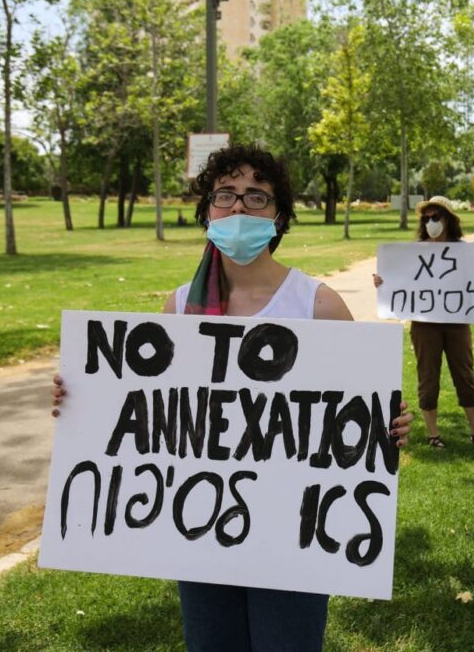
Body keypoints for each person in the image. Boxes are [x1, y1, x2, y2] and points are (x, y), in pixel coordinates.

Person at [52, 144, 413, 652]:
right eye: (226, 194)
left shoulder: (318, 305)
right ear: (207, 211)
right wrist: (84, 399)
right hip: (199, 532)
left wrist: (389, 424)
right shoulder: (178, 308)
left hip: (294, 540)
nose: (239, 208)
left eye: (256, 196)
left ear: (279, 215)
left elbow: (354, 417)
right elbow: (147, 408)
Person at [373, 195, 474, 450]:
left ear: (448, 220)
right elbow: (399, 281)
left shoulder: (466, 252)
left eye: (435, 217)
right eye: (426, 218)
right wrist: (382, 283)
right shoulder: (413, 253)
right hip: (424, 324)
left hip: (457, 322)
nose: (430, 222)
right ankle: (433, 435)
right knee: (428, 376)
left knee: (465, 374)